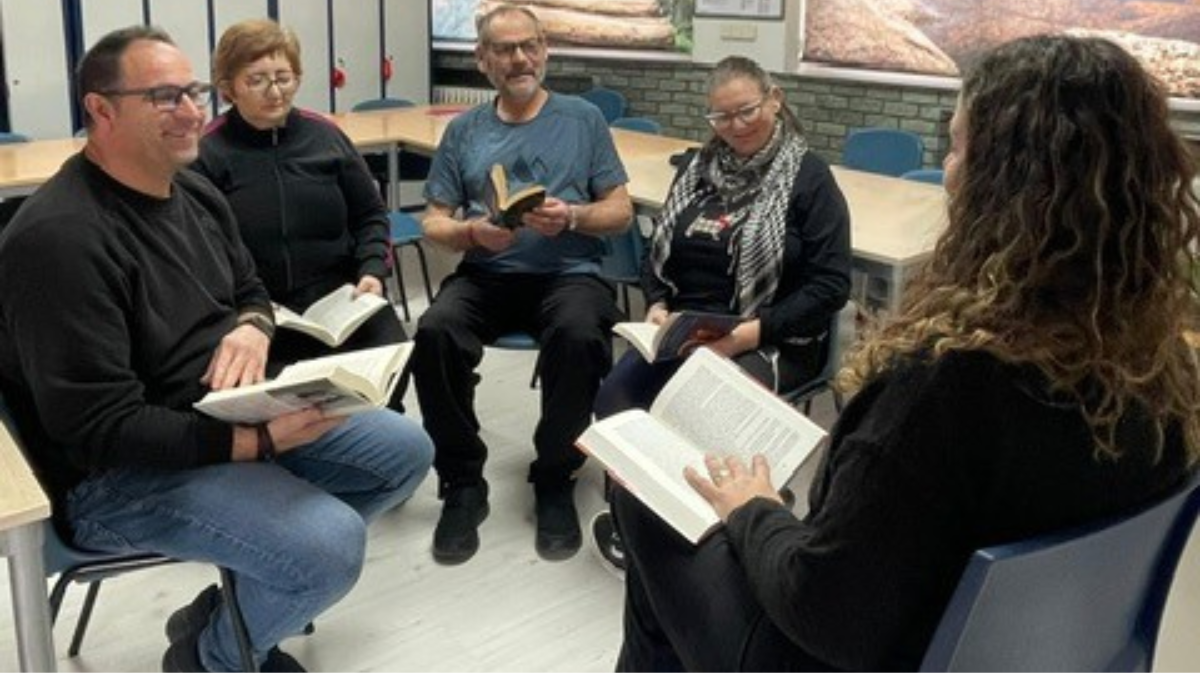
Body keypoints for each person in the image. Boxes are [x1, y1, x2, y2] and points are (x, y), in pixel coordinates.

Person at [611, 34, 1200, 671]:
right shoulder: (1163, 372)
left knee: (646, 496)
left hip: (836, 651)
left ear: (998, 183)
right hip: (1027, 652)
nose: (946, 169)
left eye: (955, 145)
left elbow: (822, 611)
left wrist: (756, 509)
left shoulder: (944, 389)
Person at [0, 26, 433, 672]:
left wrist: (252, 326)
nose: (193, 112)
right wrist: (259, 444)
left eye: (195, 92)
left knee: (402, 452)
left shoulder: (192, 186)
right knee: (331, 544)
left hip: (223, 409)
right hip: (115, 477)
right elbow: (97, 429)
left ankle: (229, 611)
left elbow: (250, 286)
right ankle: (217, 657)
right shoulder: (61, 240)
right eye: (166, 96)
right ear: (102, 109)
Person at [590, 54, 851, 573]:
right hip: (688, 331)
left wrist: (746, 336)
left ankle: (718, 535)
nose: (735, 127)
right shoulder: (695, 170)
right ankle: (642, 516)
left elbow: (831, 285)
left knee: (703, 417)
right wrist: (660, 303)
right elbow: (658, 254)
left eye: (747, 111)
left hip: (771, 335)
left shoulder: (809, 177)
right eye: (722, 117)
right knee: (615, 398)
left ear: (774, 100)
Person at [411, 3, 633, 564]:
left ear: (545, 50)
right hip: (487, 275)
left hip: (569, 275)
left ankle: (555, 475)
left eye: (529, 45)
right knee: (434, 331)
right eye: (504, 49)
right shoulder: (464, 131)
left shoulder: (582, 119)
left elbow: (622, 211)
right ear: (482, 60)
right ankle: (463, 483)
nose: (519, 58)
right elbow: (432, 221)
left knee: (582, 335)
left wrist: (575, 217)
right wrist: (470, 232)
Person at [193, 19, 407, 405]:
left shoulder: (325, 136)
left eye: (284, 77)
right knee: (286, 405)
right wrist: (243, 309)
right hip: (257, 309)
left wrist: (372, 270)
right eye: (256, 80)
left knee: (389, 371)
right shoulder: (207, 153)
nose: (275, 92)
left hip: (340, 298)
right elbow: (196, 249)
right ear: (228, 88)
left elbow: (371, 216)